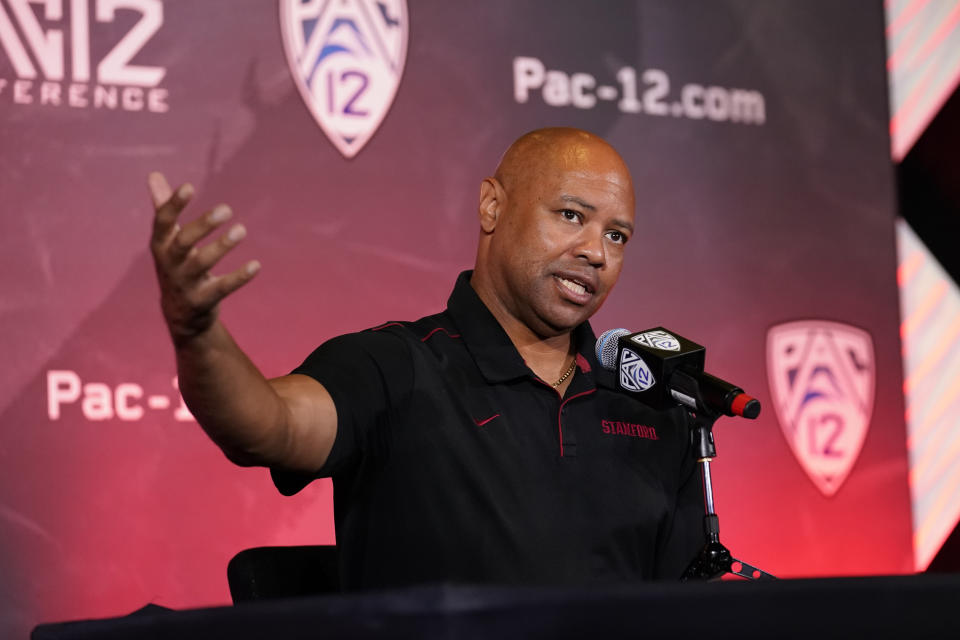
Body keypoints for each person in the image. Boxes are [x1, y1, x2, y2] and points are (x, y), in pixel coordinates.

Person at [148, 127, 705, 590]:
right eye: (569, 215)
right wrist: (198, 334)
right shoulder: (393, 367)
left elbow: (687, 612)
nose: (596, 252)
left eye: (617, 235)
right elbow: (267, 426)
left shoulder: (657, 411)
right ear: (492, 205)